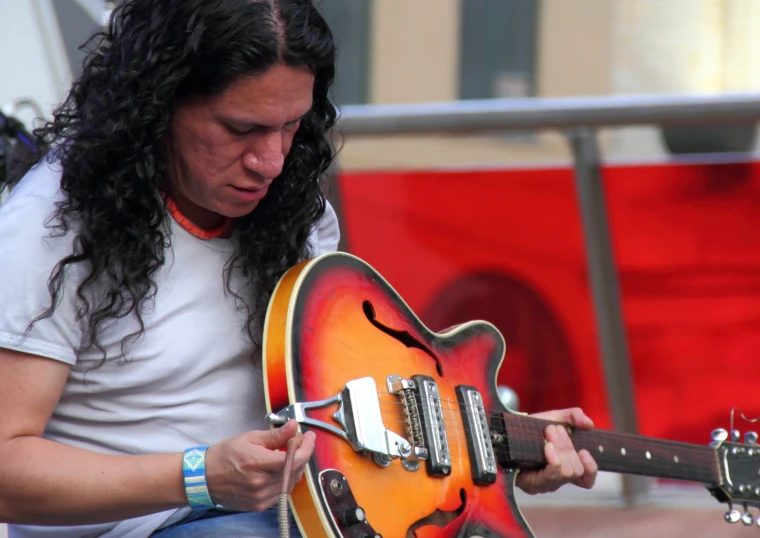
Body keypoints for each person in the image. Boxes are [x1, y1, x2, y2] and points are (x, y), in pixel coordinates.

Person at [0, 1, 598, 536]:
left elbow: (348, 405)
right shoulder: (50, 227)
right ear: (157, 107)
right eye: (240, 129)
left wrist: (489, 439)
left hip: (294, 508)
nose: (270, 161)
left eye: (291, 127)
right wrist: (197, 476)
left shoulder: (296, 211)